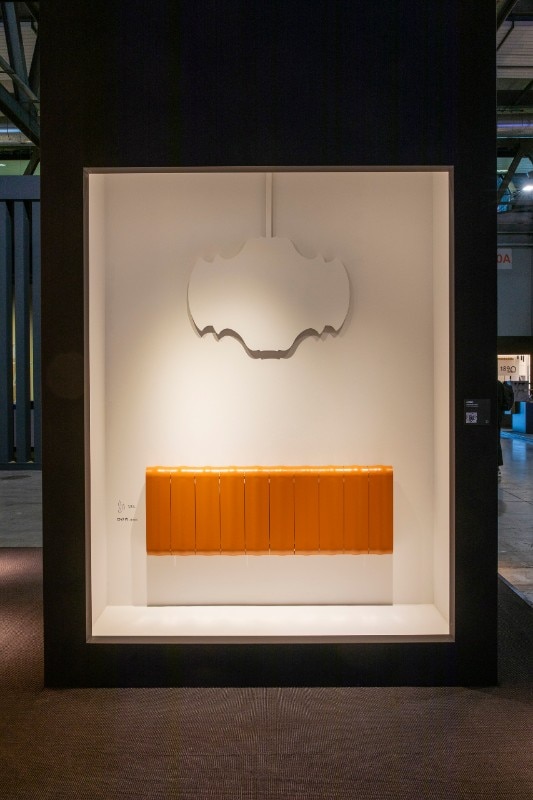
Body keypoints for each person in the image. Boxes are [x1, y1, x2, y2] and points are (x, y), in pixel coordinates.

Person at [497, 379, 514, 478]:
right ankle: (496, 467)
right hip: (497, 418)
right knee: (496, 441)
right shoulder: (499, 384)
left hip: (488, 417)